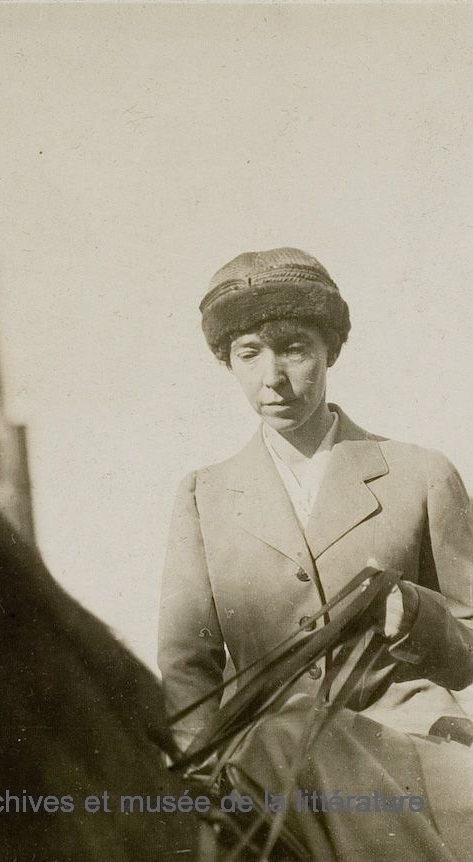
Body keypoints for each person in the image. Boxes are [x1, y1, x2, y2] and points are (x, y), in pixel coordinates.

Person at [158, 247, 473, 860]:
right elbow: (186, 663)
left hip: (411, 749)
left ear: (331, 349)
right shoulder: (204, 495)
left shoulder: (420, 474)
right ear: (228, 362)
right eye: (249, 353)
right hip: (262, 768)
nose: (271, 376)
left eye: (294, 348)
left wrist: (414, 613)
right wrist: (200, 782)